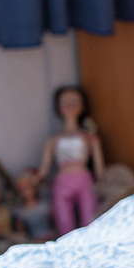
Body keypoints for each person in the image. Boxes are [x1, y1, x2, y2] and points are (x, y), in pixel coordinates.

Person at [38, 85, 105, 236]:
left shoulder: (89, 137)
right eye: (64, 102)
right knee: (64, 225)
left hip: (84, 180)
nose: (69, 105)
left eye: (74, 101)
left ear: (82, 106)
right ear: (58, 107)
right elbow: (44, 169)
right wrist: (32, 180)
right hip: (62, 182)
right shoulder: (53, 139)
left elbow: (99, 168)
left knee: (90, 222)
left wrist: (103, 183)